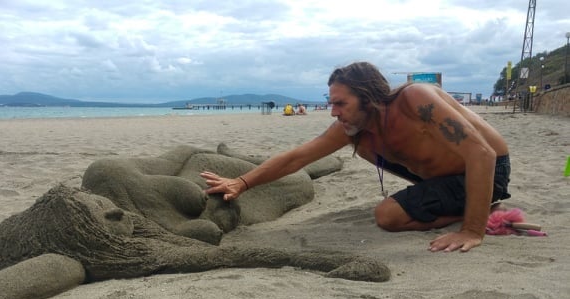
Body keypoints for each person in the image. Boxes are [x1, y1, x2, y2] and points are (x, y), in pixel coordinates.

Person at [201, 62, 511, 252]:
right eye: (330, 103)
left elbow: (481, 152)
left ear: (369, 98)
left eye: (340, 103)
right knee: (363, 147)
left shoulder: (416, 99)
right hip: (444, 179)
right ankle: (477, 205)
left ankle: (481, 209)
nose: (333, 111)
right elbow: (297, 158)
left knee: (387, 216)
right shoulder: (354, 129)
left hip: (486, 170)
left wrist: (472, 229)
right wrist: (241, 182)